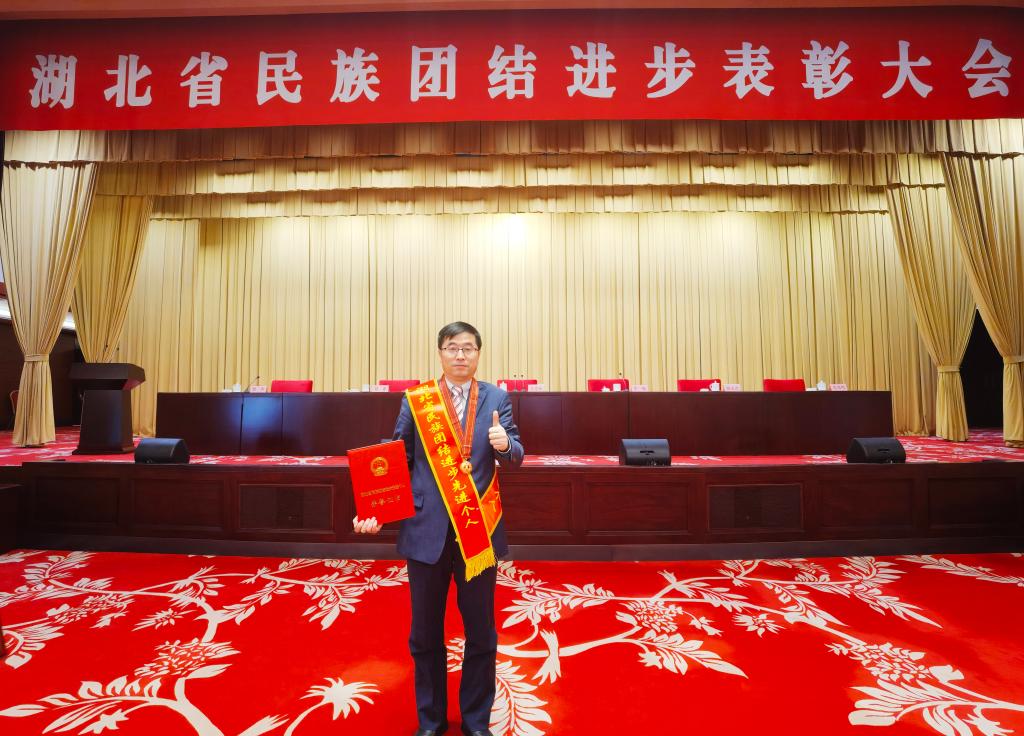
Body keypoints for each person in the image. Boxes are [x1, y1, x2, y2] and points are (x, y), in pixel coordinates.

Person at [353, 321, 524, 736]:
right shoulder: (417, 401)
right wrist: (376, 510)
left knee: (481, 633)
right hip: (426, 532)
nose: (460, 355)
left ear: (478, 353)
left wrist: (504, 445)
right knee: (425, 634)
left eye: (468, 348)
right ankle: (430, 721)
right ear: (440, 353)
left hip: (477, 533)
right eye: (452, 347)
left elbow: (517, 454)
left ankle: (476, 721)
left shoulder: (497, 398)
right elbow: (400, 459)